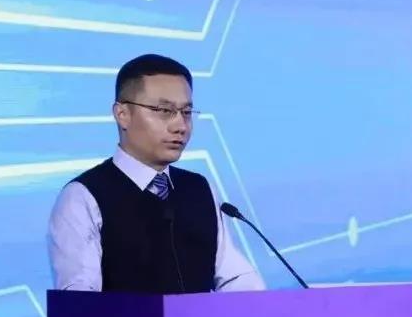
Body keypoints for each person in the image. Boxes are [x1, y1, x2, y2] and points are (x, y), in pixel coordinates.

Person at [47, 53, 265, 294]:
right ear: (122, 114)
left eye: (186, 112)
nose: (180, 126)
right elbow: (79, 300)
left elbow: (235, 277)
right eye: (164, 110)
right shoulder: (83, 197)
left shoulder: (199, 188)